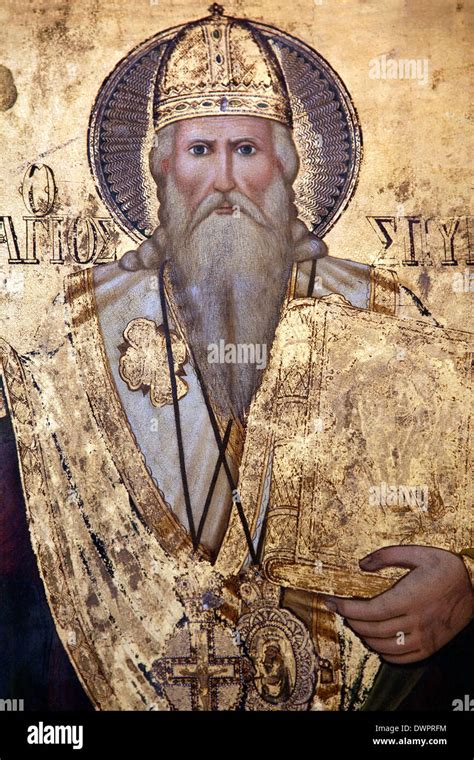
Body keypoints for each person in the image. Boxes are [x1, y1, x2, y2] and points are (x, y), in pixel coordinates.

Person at [0, 5, 472, 711]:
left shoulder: (384, 317)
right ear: (160, 174)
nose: (224, 180)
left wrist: (466, 579)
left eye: (246, 151)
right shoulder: (71, 350)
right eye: (200, 151)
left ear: (286, 169)